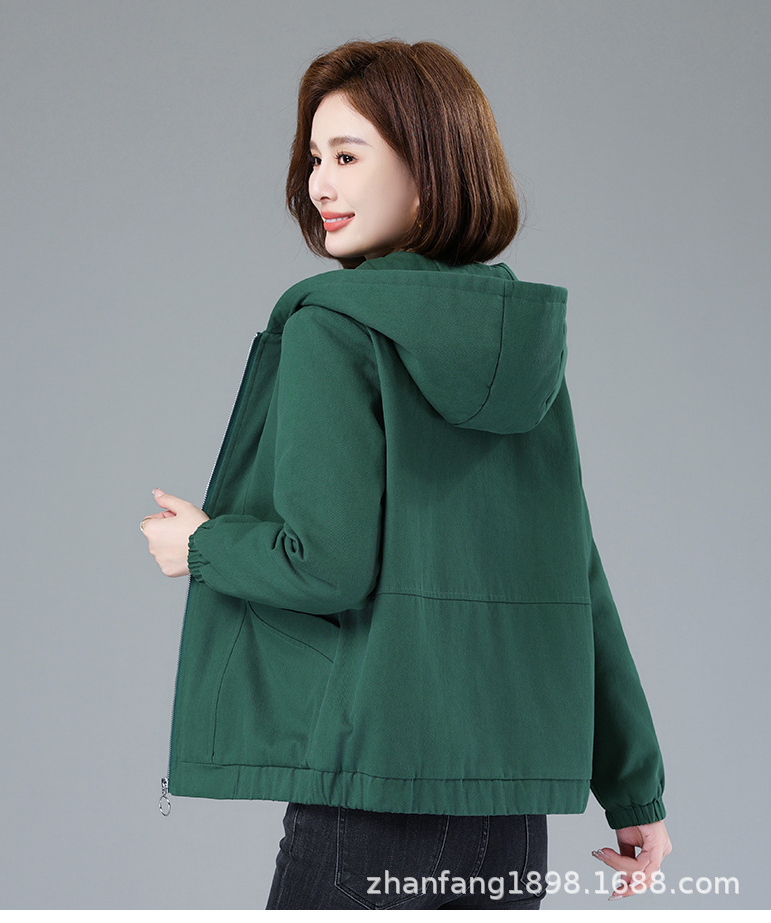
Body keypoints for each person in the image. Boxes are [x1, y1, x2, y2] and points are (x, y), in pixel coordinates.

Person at [140, 39, 671, 910]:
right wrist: (635, 791)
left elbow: (325, 564)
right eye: (315, 157)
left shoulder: (331, 328)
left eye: (347, 156)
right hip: (512, 823)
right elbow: (575, 581)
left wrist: (201, 546)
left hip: (372, 800)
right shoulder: (522, 343)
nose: (319, 184)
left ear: (428, 173)